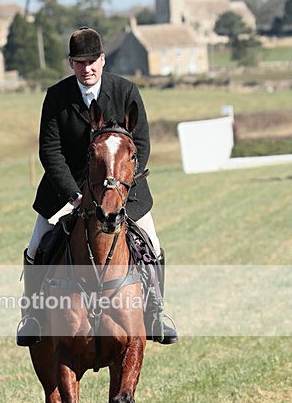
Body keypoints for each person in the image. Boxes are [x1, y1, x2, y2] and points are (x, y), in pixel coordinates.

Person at [16, 26, 178, 347]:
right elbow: (50, 151)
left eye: (92, 61)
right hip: (69, 191)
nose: (87, 69)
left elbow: (140, 144)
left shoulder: (126, 91)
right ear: (70, 63)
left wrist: (120, 190)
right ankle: (33, 313)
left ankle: (156, 312)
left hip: (121, 191)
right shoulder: (56, 97)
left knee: (153, 245)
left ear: (103, 60)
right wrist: (73, 195)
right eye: (80, 62)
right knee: (36, 246)